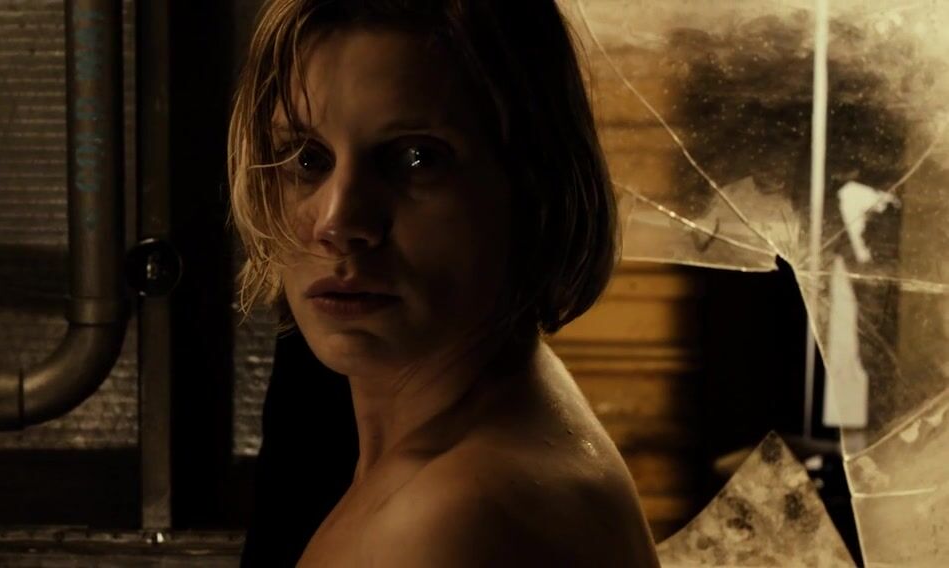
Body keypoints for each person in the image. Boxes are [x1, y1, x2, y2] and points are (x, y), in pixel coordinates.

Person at [228, 0, 660, 565]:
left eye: (416, 158)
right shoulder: (497, 421)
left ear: (534, 186)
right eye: (308, 159)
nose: (337, 223)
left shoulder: (450, 519)